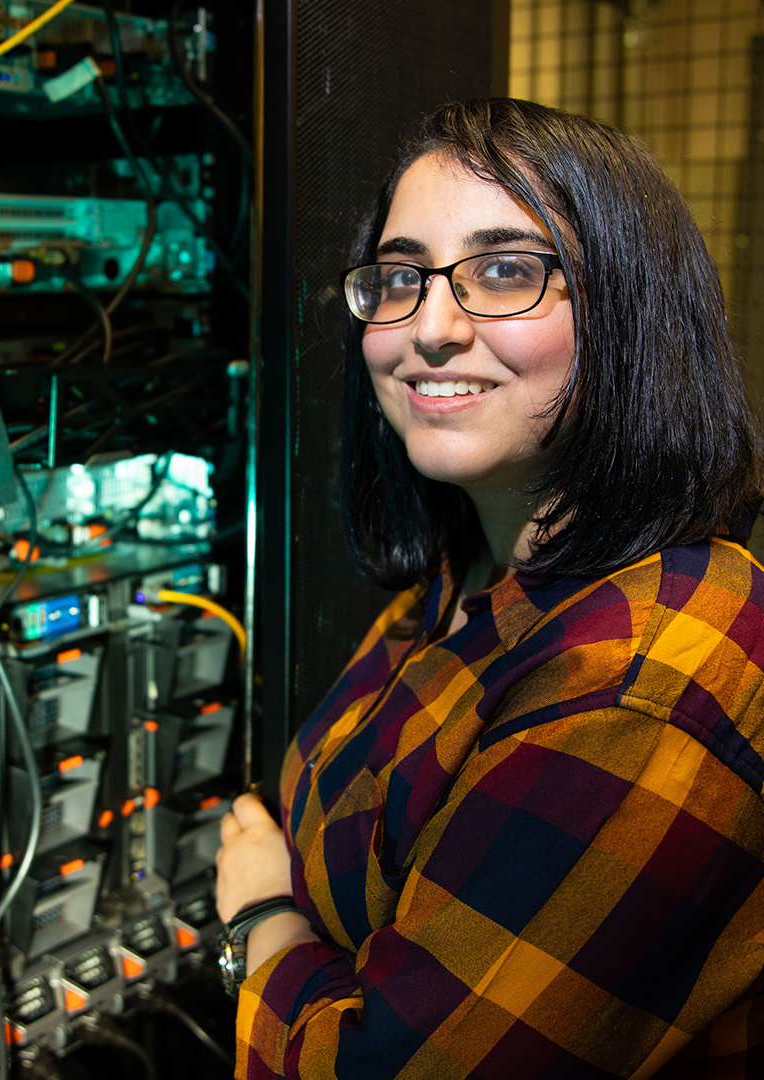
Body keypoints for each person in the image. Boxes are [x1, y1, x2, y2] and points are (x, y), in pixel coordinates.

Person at [215, 98, 764, 1079]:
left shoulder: (646, 674)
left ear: (633, 309)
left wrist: (262, 915)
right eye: (399, 277)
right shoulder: (471, 568)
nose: (427, 328)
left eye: (505, 270)